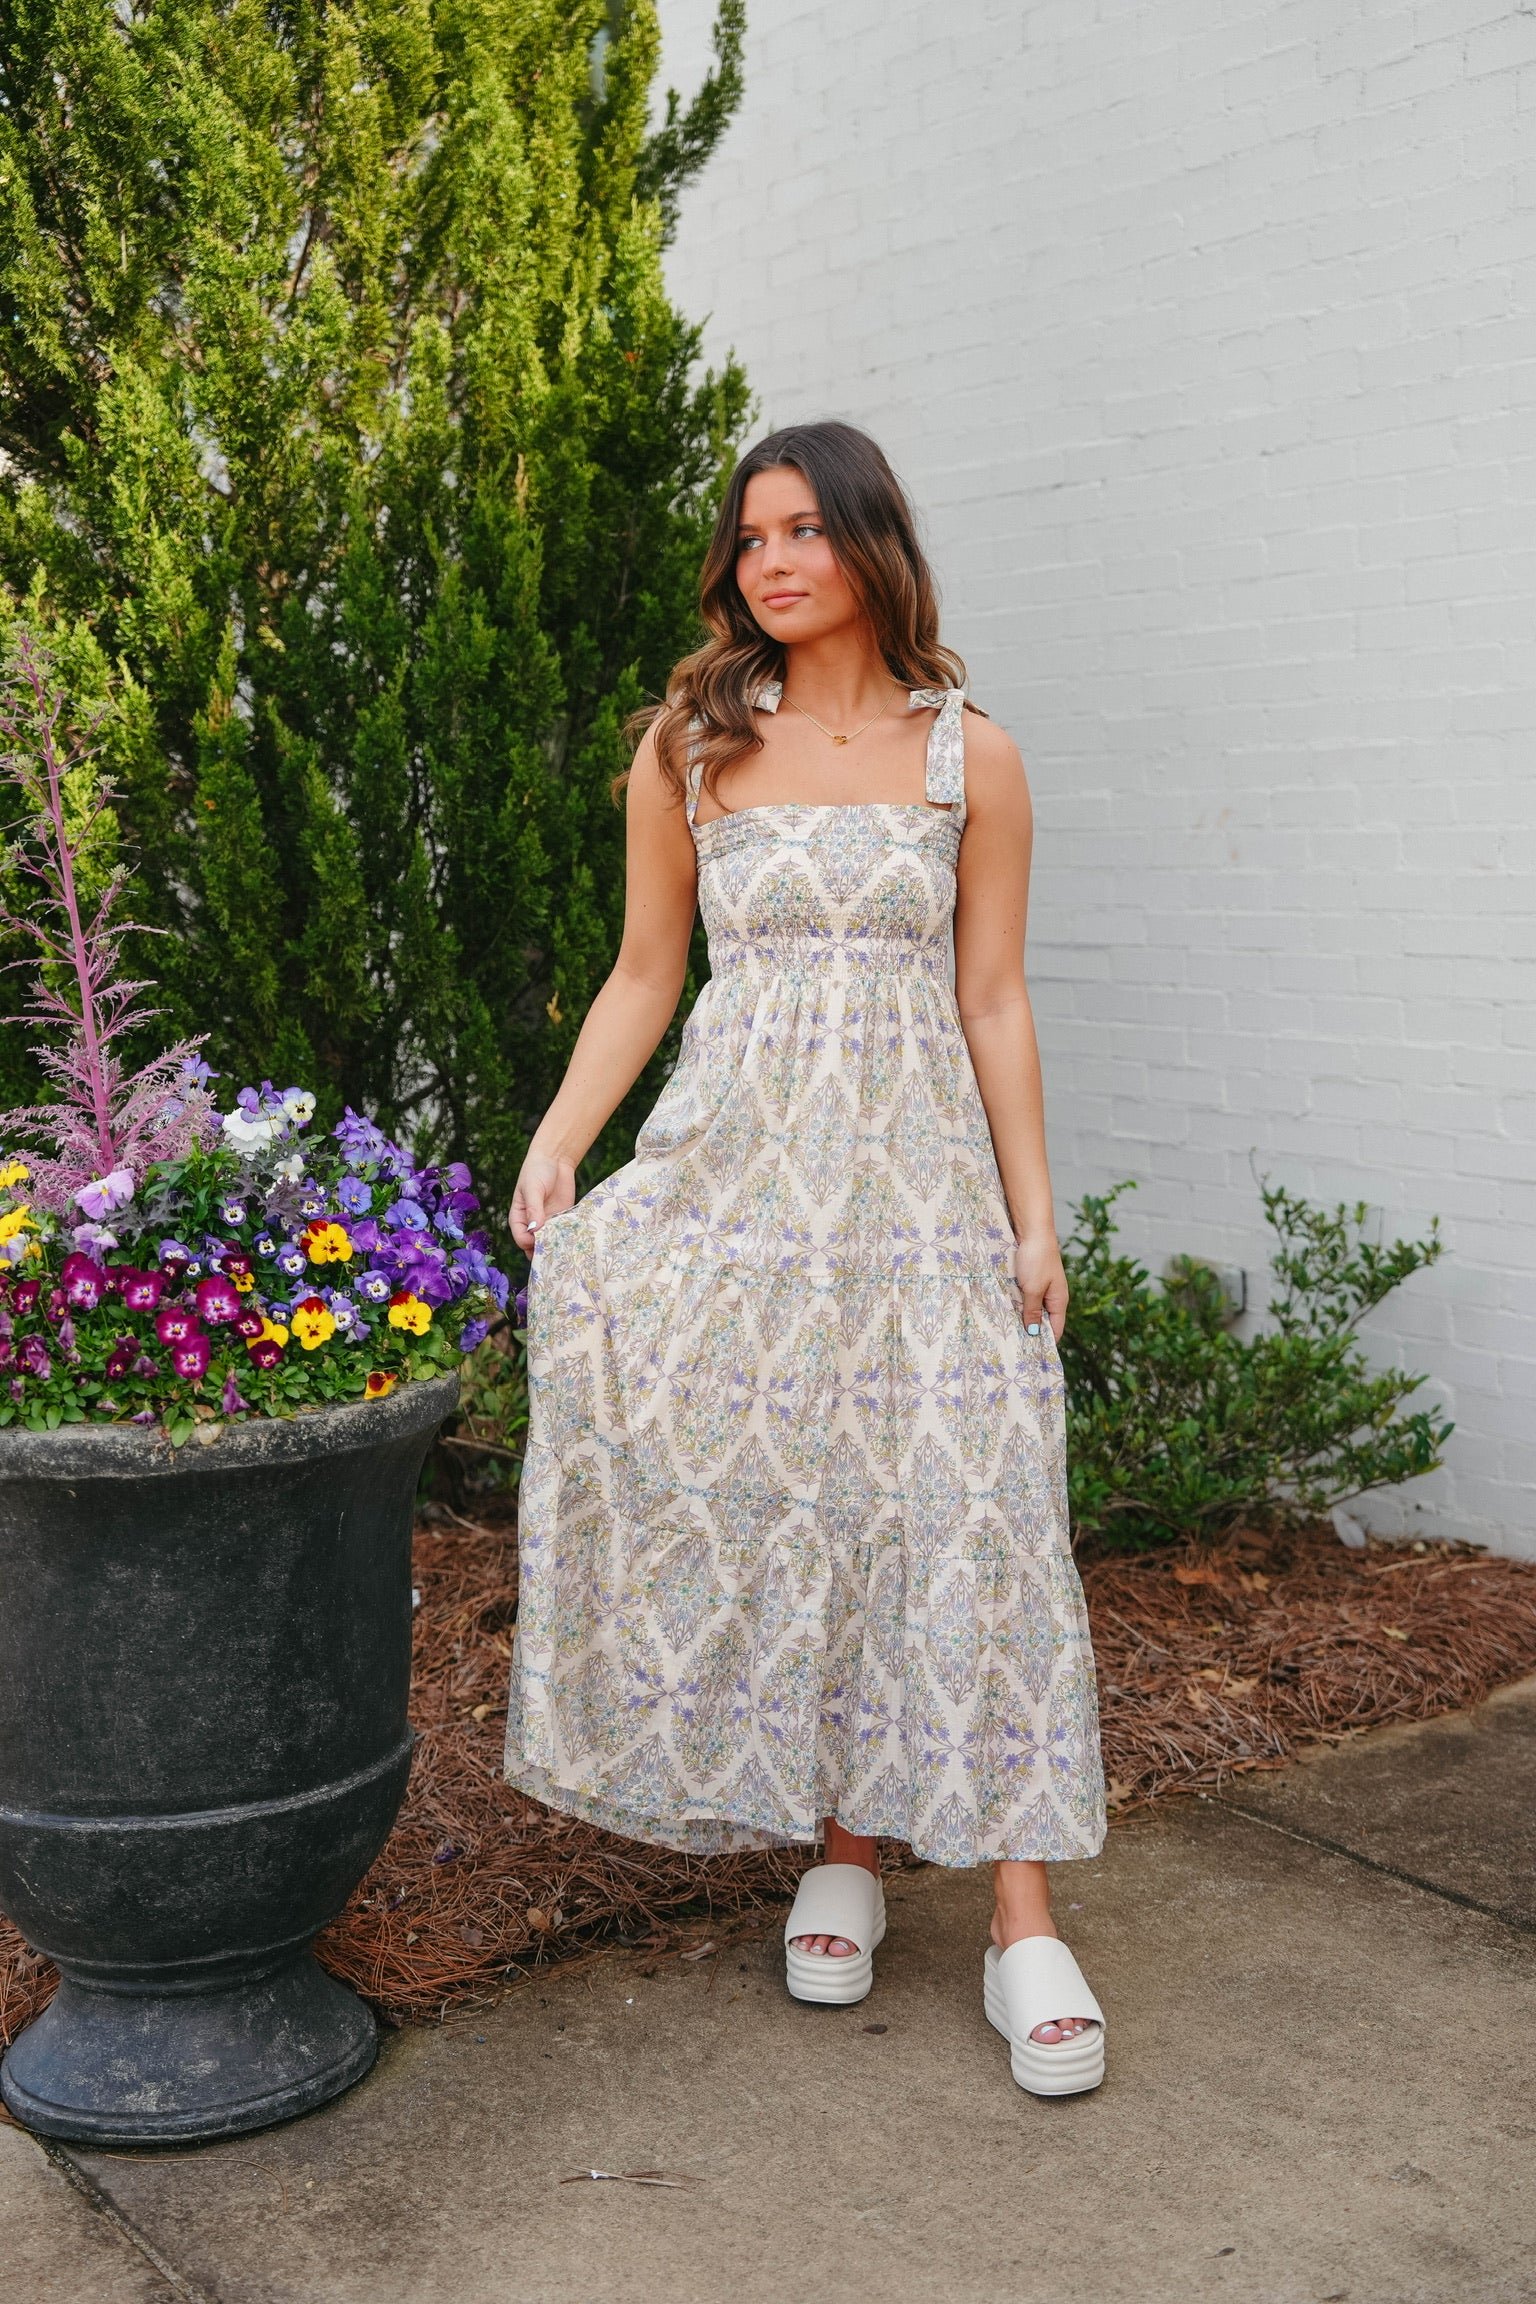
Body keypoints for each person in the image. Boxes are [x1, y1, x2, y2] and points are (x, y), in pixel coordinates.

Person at [504, 421, 1108, 2096]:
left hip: (923, 1202)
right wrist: (561, 1141)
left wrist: (1034, 1214)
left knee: (975, 1509)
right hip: (747, 1189)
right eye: (750, 537)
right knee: (807, 1498)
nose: (771, 562)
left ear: (869, 544)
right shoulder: (693, 748)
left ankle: (1021, 1922)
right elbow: (646, 972)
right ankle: (842, 1847)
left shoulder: (971, 758)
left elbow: (994, 996)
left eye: (803, 532)